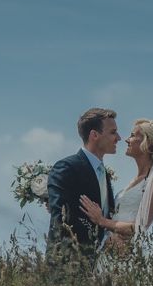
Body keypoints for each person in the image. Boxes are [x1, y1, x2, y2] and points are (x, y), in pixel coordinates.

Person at [80, 119, 153, 248]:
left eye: (132, 135)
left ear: (147, 143)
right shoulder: (134, 180)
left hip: (126, 253)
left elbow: (140, 227)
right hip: (110, 248)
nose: (126, 140)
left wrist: (102, 221)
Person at [46, 108, 120, 262]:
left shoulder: (104, 174)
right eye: (113, 132)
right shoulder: (66, 167)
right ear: (94, 135)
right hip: (69, 265)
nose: (118, 138)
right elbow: (60, 220)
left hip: (98, 267)